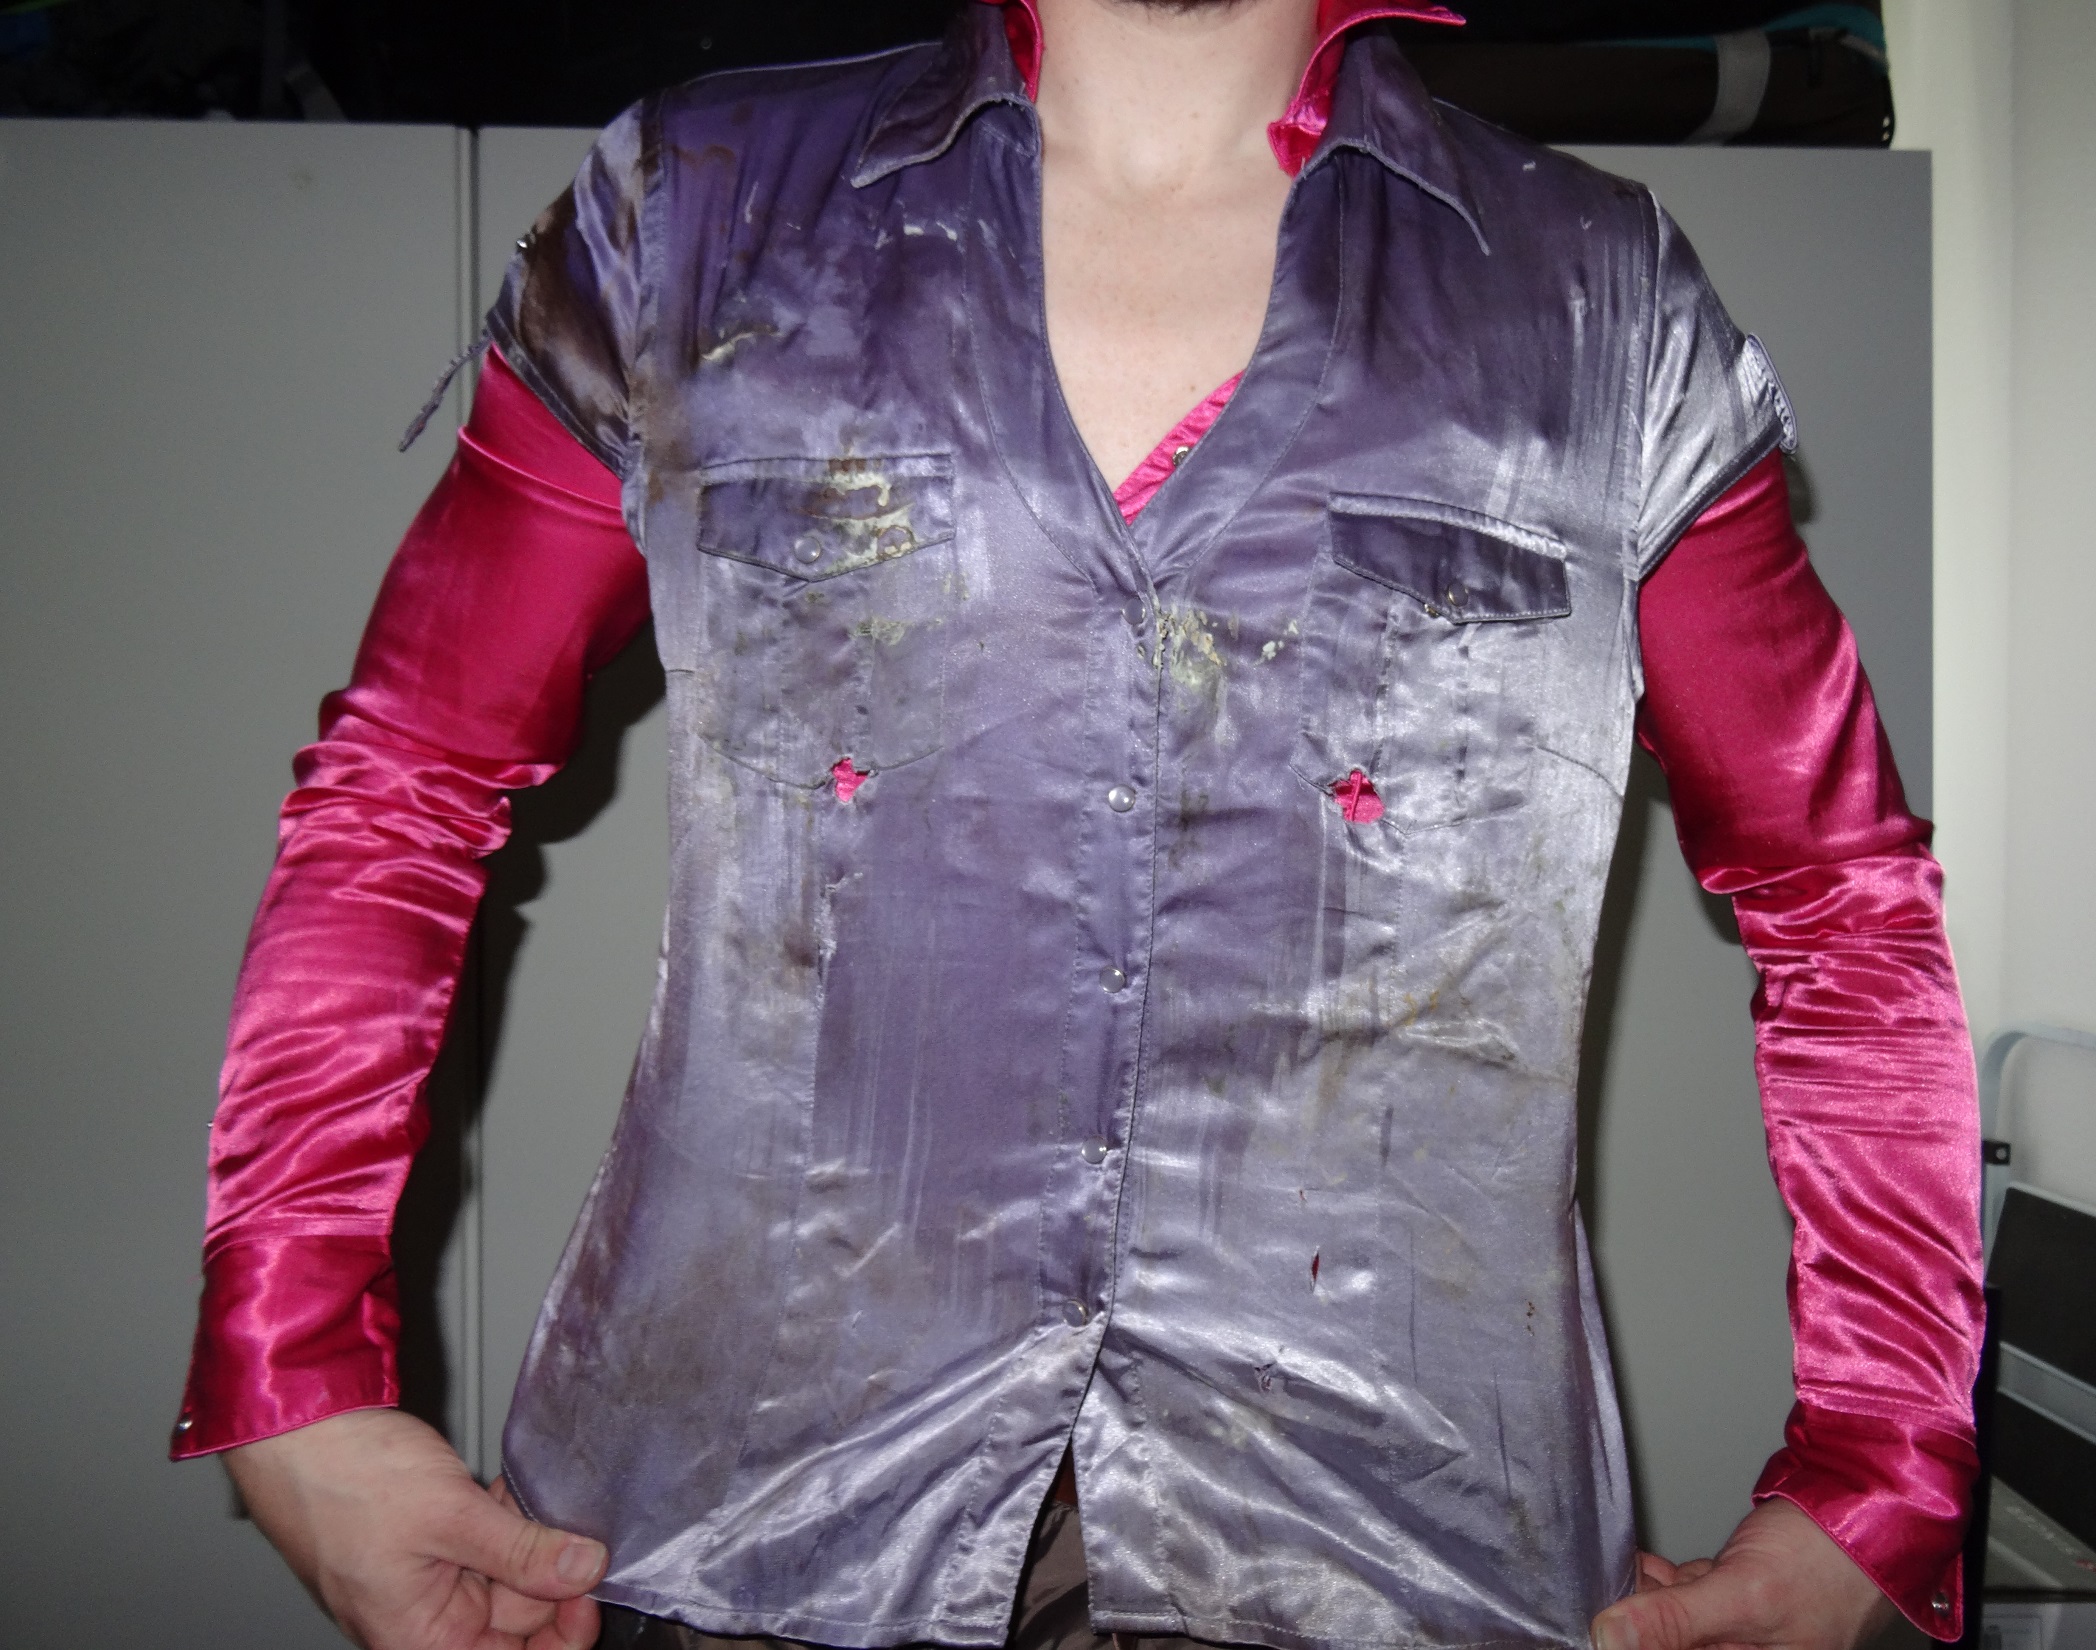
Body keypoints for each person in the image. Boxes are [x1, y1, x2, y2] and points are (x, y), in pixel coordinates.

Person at [173, 3, 1985, 1649]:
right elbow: (406, 776)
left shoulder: (1601, 306)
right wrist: (289, 1368)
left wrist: (1880, 1471)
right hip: (743, 1544)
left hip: (1388, 1561)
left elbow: (1842, 898)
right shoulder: (693, 213)